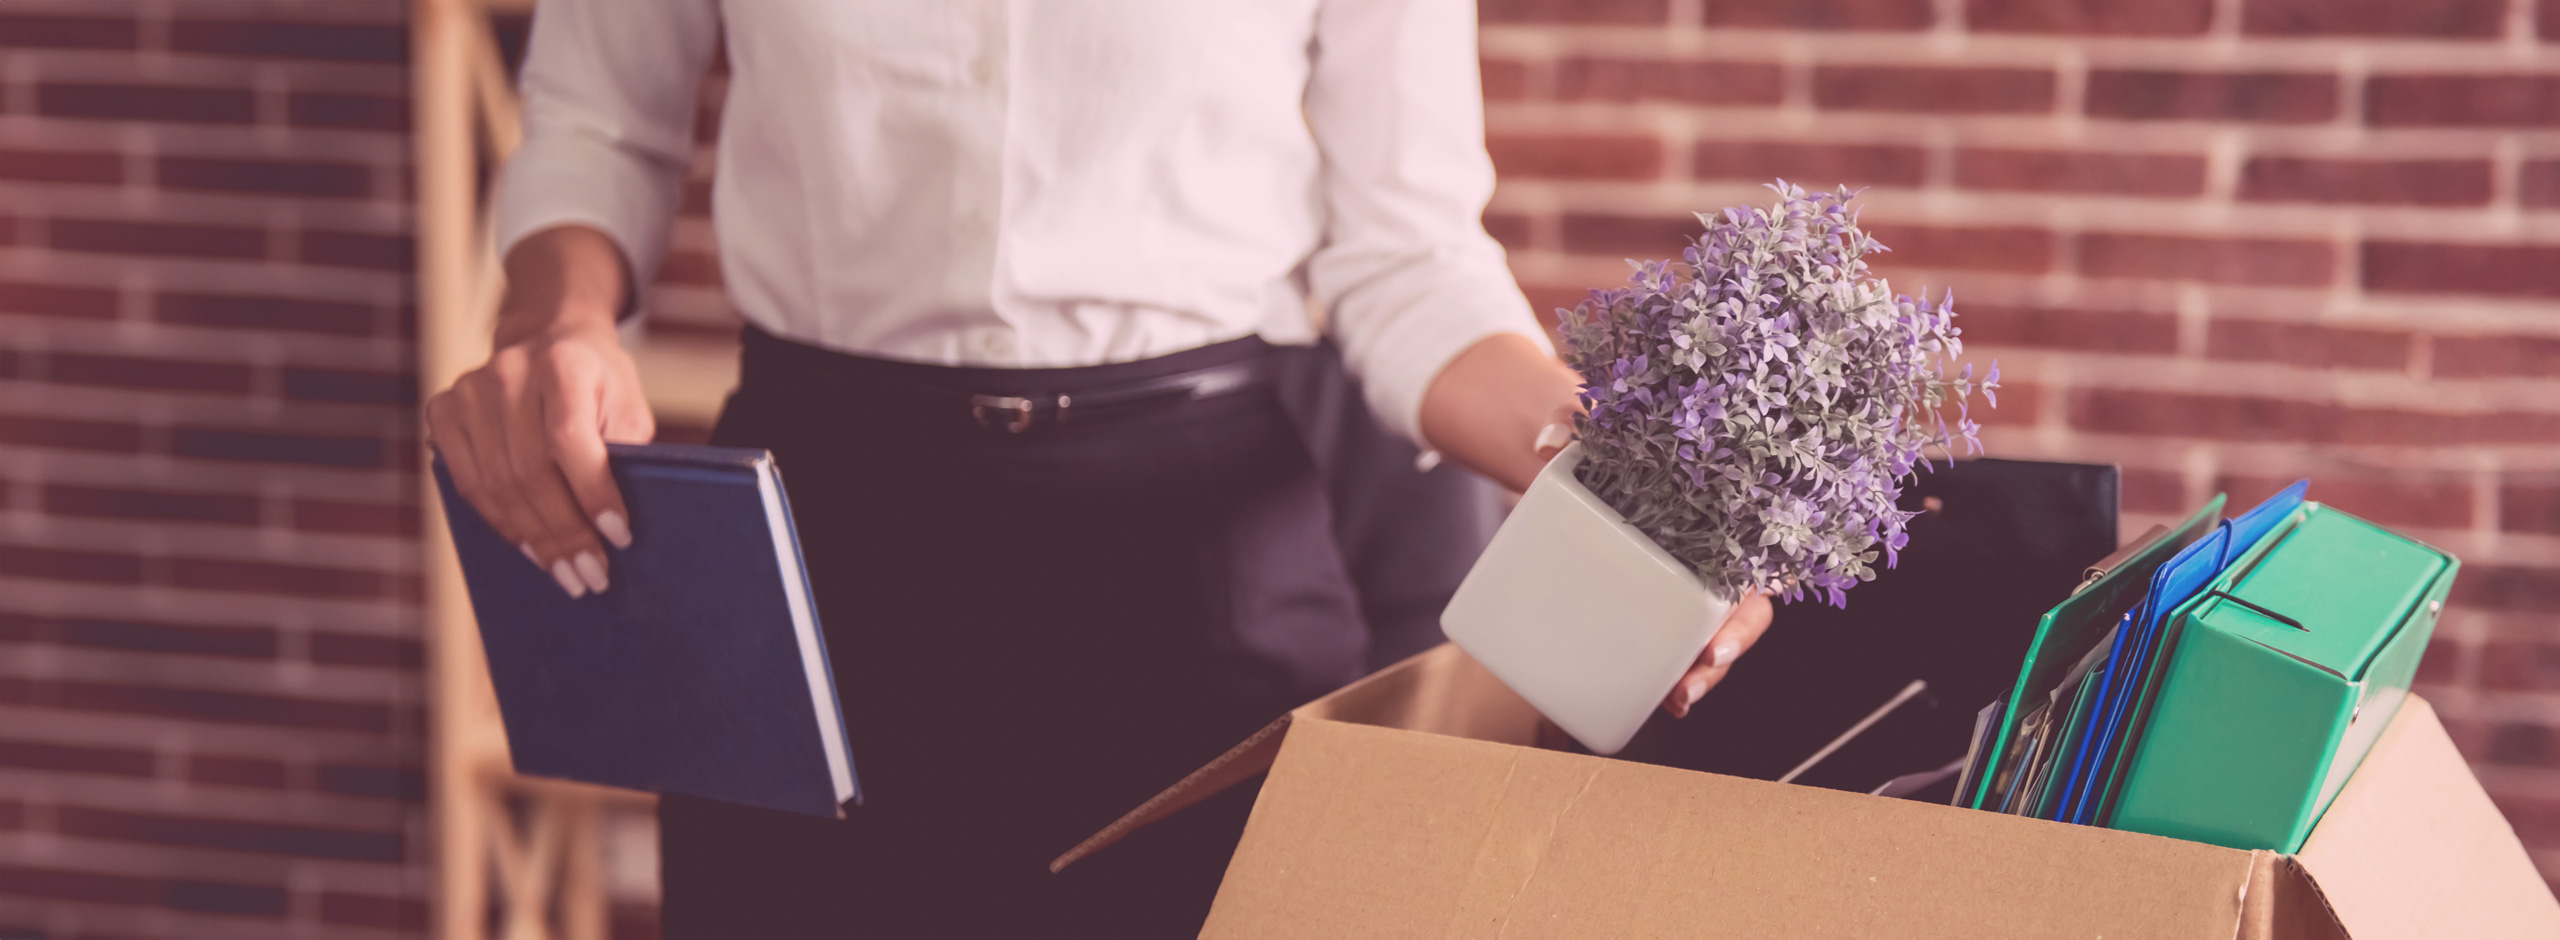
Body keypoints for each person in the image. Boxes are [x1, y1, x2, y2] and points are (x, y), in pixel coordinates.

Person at [424, 1, 1774, 935]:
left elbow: (1409, 257)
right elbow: (596, 125)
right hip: (823, 543)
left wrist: (1610, 468)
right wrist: (558, 324)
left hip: (1194, 556)